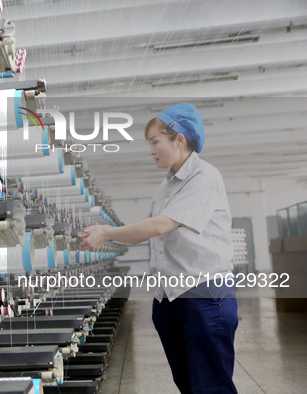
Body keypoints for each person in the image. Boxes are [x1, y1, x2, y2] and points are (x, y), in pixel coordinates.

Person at [79, 103, 238, 394]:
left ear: (179, 140)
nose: (151, 150)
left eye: (155, 142)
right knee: (189, 383)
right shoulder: (167, 186)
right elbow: (146, 228)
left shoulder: (203, 178)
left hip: (204, 297)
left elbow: (159, 226)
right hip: (171, 299)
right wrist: (102, 233)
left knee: (210, 385)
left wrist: (107, 232)